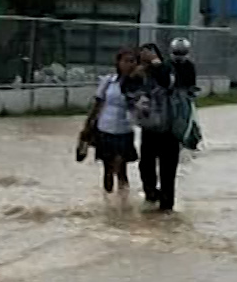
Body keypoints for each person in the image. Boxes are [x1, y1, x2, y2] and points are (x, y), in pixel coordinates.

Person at [77, 48, 142, 197]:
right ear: (118, 63)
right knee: (107, 170)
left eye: (132, 61)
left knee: (121, 168)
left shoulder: (138, 85)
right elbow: (97, 104)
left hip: (125, 130)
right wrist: (87, 126)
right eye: (125, 61)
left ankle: (123, 202)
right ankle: (108, 203)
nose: (129, 64)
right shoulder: (108, 81)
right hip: (105, 129)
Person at [134, 43, 185, 211]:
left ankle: (166, 208)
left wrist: (155, 62)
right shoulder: (141, 75)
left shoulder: (167, 69)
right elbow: (126, 88)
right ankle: (151, 196)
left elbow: (167, 82)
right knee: (145, 167)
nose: (146, 57)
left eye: (149, 54)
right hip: (149, 130)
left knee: (167, 173)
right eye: (143, 54)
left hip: (169, 130)